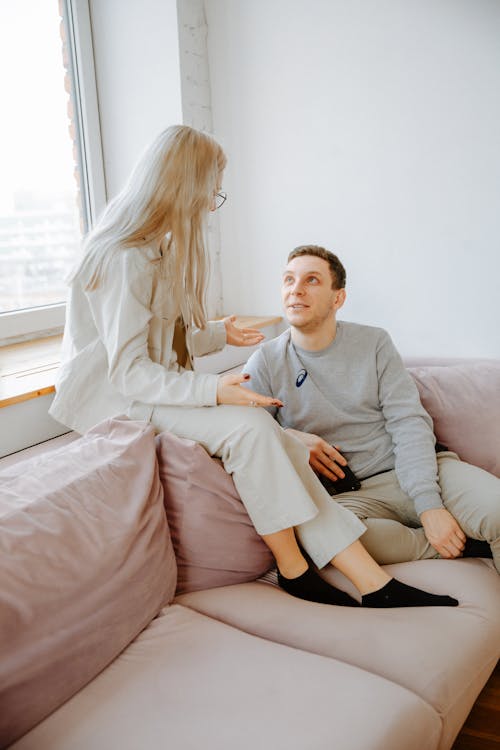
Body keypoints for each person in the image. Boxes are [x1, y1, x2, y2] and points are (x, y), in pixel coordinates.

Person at [50, 125, 459, 609]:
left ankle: (368, 581)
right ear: (184, 184)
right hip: (120, 402)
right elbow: (130, 373)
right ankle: (297, 568)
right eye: (211, 191)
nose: (209, 204)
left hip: (152, 390)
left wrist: (220, 332)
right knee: (250, 429)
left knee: (279, 440)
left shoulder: (156, 252)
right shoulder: (124, 258)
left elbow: (161, 337)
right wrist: (216, 389)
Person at [243, 244, 499, 574]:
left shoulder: (374, 343)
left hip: (417, 470)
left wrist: (429, 505)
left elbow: (408, 421)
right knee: (320, 540)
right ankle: (463, 544)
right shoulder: (265, 361)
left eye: (311, 280)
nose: (296, 290)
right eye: (289, 280)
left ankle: (454, 528)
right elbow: (245, 434)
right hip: (352, 495)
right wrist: (288, 436)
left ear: (338, 298)